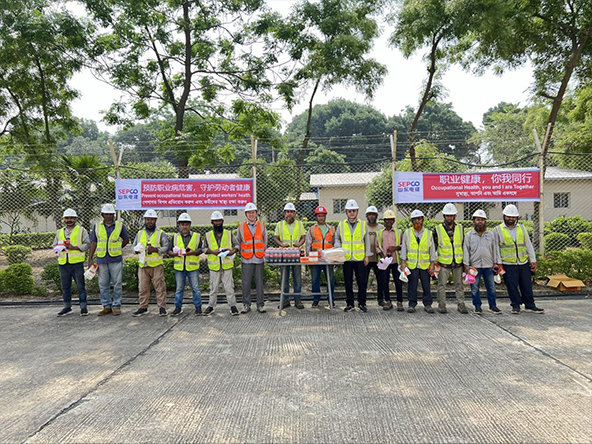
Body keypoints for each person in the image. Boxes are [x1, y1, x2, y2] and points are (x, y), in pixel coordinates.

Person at [494, 204, 544, 314]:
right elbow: (496, 248)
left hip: (523, 262)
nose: (510, 219)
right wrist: (499, 263)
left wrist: (533, 260)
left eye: (513, 217)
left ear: (516, 217)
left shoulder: (522, 228)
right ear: (504, 216)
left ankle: (530, 305)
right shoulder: (497, 230)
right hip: (508, 263)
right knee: (511, 286)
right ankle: (515, 305)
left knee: (526, 285)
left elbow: (528, 244)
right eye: (508, 216)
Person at [88, 203, 130, 316]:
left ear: (114, 215)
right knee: (103, 284)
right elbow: (94, 242)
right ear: (102, 215)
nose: (109, 216)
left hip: (115, 259)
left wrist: (118, 247)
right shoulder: (97, 226)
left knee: (117, 283)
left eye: (111, 214)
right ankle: (106, 306)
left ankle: (116, 306)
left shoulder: (119, 226)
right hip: (102, 260)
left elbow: (126, 239)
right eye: (106, 214)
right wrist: (90, 258)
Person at [334, 199, 370, 312]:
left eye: (354, 211)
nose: (352, 213)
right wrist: (338, 248)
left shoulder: (363, 225)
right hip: (347, 258)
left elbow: (367, 241)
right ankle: (350, 304)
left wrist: (367, 256)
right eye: (349, 211)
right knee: (348, 282)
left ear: (357, 211)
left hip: (360, 258)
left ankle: (362, 303)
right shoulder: (341, 225)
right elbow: (337, 238)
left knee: (361, 282)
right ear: (346, 212)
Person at [132, 209, 169, 317]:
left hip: (156, 265)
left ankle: (162, 307)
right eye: (148, 219)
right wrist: (137, 250)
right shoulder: (139, 233)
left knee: (160, 287)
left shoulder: (161, 233)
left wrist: (156, 249)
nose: (149, 221)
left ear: (155, 220)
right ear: (145, 220)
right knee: (143, 287)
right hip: (143, 265)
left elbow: (166, 247)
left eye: (152, 219)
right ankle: (143, 307)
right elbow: (133, 247)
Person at [53, 208, 90, 317]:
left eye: (71, 218)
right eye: (67, 218)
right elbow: (54, 244)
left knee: (80, 286)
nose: (69, 220)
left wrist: (74, 247)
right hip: (63, 263)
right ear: (64, 219)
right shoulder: (59, 232)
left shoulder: (81, 230)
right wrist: (59, 248)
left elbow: (87, 244)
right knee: (65, 286)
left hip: (77, 263)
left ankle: (83, 308)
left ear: (75, 219)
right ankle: (67, 307)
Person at [202, 211, 240, 316]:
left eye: (219, 221)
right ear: (212, 222)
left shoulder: (228, 233)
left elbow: (237, 245)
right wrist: (212, 252)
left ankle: (233, 306)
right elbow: (203, 248)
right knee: (213, 288)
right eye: (215, 221)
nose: (218, 223)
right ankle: (211, 306)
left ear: (222, 221)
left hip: (226, 265)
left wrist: (232, 251)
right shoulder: (208, 235)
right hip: (214, 266)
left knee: (229, 288)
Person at [463, 210, 501, 314]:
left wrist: (497, 263)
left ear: (485, 222)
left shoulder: (490, 235)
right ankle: (477, 306)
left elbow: (495, 249)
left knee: (491, 288)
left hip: (489, 266)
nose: (480, 222)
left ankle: (493, 306)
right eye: (478, 219)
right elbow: (466, 251)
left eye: (482, 220)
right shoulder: (469, 235)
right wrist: (466, 265)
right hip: (474, 267)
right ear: (473, 221)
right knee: (475, 288)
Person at [400, 209, 437, 313]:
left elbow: (432, 249)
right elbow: (404, 248)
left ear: (422, 220)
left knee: (426, 285)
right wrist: (403, 262)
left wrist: (432, 264)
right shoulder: (407, 233)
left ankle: (428, 304)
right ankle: (412, 305)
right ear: (412, 221)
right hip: (412, 264)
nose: (417, 221)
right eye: (415, 219)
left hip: (425, 265)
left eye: (419, 219)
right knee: (412, 285)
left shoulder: (428, 233)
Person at [434, 203, 468, 314]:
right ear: (444, 216)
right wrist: (434, 262)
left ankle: (461, 303)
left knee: (459, 285)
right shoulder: (438, 229)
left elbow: (463, 245)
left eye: (451, 215)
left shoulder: (460, 228)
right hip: (444, 263)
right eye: (447, 215)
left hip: (457, 262)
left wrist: (465, 262)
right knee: (441, 285)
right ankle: (441, 304)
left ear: (455, 216)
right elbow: (434, 246)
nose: (449, 217)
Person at [169, 213, 203, 316]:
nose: (185, 226)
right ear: (179, 225)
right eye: (182, 224)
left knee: (196, 288)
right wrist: (176, 254)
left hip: (192, 267)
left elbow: (201, 250)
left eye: (187, 224)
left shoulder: (196, 236)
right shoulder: (175, 237)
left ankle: (198, 307)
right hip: (179, 267)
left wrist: (192, 252)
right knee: (179, 288)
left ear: (190, 225)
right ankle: (178, 307)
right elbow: (169, 251)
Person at [274, 202, 305, 309]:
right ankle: (285, 300)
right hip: (284, 255)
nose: (289, 214)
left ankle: (297, 300)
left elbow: (303, 237)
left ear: (295, 213)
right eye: (288, 212)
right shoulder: (279, 224)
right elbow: (276, 238)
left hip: (296, 254)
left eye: (292, 212)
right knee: (284, 278)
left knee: (297, 278)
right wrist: (282, 245)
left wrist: (299, 244)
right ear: (284, 213)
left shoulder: (299, 224)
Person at [237, 202, 267, 314]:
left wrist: (262, 253)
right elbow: (238, 242)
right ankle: (246, 305)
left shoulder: (262, 226)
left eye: (253, 212)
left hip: (259, 259)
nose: (251, 215)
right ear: (246, 214)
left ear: (256, 213)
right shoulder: (241, 227)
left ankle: (260, 305)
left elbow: (265, 241)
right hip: (246, 259)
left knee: (259, 283)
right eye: (249, 213)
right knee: (246, 283)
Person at [305, 205, 336, 308]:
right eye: (319, 216)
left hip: (328, 260)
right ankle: (316, 299)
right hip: (316, 260)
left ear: (325, 216)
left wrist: (335, 259)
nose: (321, 218)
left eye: (323, 216)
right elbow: (308, 245)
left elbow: (335, 244)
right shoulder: (312, 229)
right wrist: (309, 260)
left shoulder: (332, 229)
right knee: (315, 280)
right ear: (316, 217)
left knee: (330, 281)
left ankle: (331, 300)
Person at [375, 210, 403, 311]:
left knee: (398, 282)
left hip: (396, 261)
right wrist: (382, 256)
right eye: (387, 220)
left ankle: (399, 302)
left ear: (394, 221)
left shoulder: (399, 232)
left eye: (391, 220)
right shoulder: (380, 233)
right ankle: (388, 301)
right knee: (384, 282)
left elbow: (402, 245)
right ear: (384, 221)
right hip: (385, 262)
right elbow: (377, 246)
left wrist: (395, 248)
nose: (389, 222)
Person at [364, 206, 385, 306]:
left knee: (381, 280)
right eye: (369, 215)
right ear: (367, 216)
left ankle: (380, 299)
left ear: (376, 216)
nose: (371, 216)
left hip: (378, 259)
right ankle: (362, 300)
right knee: (363, 280)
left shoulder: (381, 228)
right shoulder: (363, 227)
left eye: (373, 214)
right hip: (366, 258)